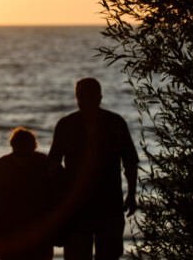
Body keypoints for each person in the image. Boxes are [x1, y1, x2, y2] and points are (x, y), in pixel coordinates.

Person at [48, 77, 138, 260]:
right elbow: (53, 164)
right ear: (76, 97)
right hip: (76, 211)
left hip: (110, 206)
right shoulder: (66, 125)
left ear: (100, 98)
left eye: (90, 97)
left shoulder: (115, 123)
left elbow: (129, 161)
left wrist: (132, 193)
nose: (85, 102)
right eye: (81, 97)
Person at [0, 127, 54, 260]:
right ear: (13, 148)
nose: (22, 160)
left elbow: (60, 197)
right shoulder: (0, 166)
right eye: (19, 154)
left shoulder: (45, 164)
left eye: (27, 154)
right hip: (7, 233)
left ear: (33, 149)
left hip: (38, 235)